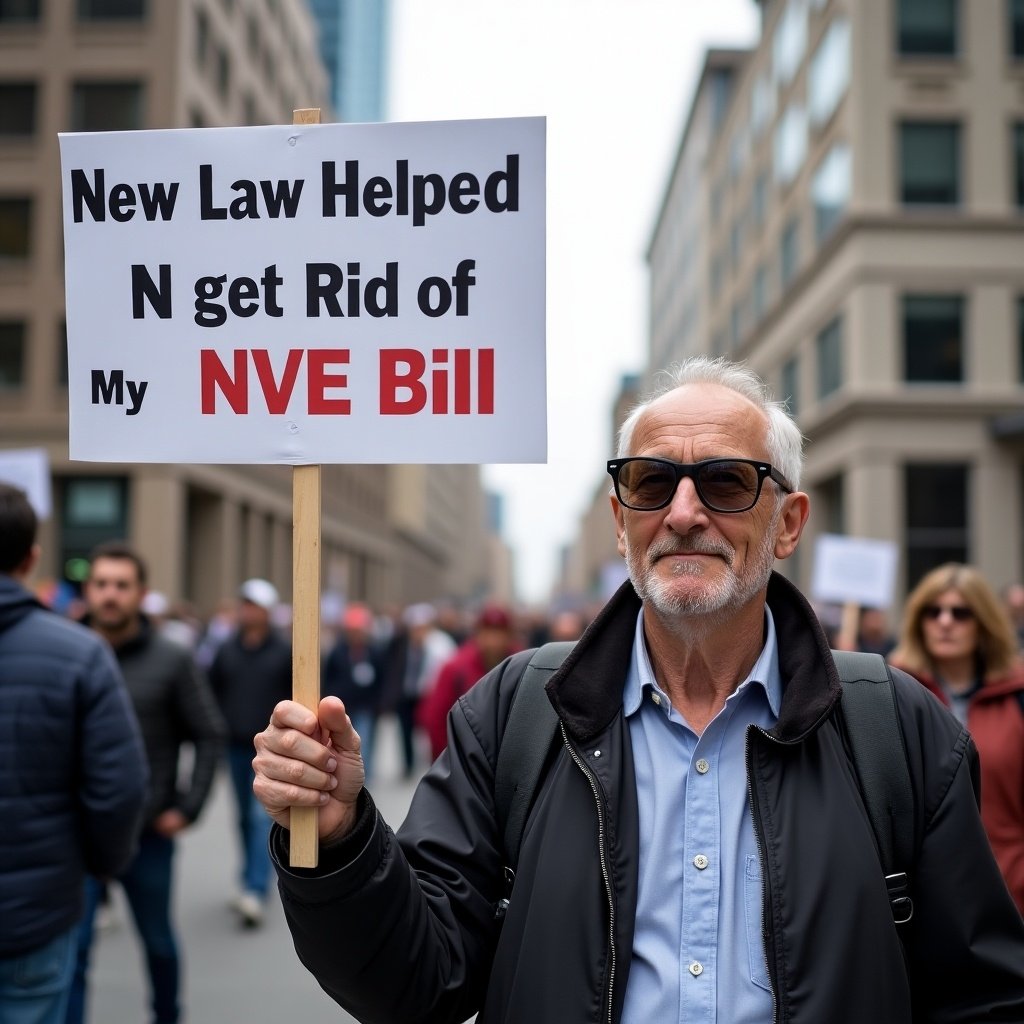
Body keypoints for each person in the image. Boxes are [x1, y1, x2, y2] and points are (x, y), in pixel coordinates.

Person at [252, 357, 1024, 1023]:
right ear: (621, 522)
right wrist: (343, 836)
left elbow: (981, 998)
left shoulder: (895, 728)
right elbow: (416, 987)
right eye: (652, 483)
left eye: (726, 482)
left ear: (788, 524)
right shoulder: (515, 713)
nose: (684, 514)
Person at [0, 486, 147, 1024]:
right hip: (36, 912)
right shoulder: (80, 653)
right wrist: (98, 867)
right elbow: (120, 787)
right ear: (32, 557)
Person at [67, 542, 225, 1024]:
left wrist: (188, 807)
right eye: (101, 584)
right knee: (73, 951)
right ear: (88, 589)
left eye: (121, 585)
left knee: (157, 941)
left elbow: (209, 732)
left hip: (149, 832)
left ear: (141, 593)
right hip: (75, 834)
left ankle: (167, 1016)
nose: (110, 595)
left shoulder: (172, 658)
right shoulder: (66, 648)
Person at [889, 563, 1024, 914]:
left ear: (984, 624)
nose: (945, 622)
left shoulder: (1017, 695)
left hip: (1009, 892)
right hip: (920, 904)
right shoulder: (887, 692)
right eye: (933, 612)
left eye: (960, 613)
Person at [208, 578, 291, 928]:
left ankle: (255, 888)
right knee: (242, 817)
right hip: (235, 746)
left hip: (270, 750)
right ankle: (249, 877)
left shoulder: (284, 651)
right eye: (245, 604)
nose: (248, 610)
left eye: (255, 605)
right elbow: (211, 690)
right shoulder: (227, 649)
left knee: (261, 819)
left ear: (268, 611)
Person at [417, 604, 520, 760]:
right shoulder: (456, 667)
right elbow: (435, 717)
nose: (494, 641)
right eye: (488, 632)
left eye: (499, 633)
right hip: (466, 760)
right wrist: (449, 761)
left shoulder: (523, 665)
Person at [380, 603, 458, 778]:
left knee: (428, 730)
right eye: (415, 628)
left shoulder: (441, 644)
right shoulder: (401, 644)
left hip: (429, 696)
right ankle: (408, 765)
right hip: (406, 694)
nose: (418, 632)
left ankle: (433, 762)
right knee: (405, 732)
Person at [322, 603, 387, 781]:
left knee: (364, 742)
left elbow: (382, 678)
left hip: (367, 705)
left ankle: (363, 777)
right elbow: (329, 677)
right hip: (345, 706)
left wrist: (381, 702)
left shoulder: (374, 651)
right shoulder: (338, 651)